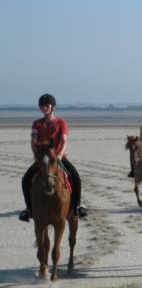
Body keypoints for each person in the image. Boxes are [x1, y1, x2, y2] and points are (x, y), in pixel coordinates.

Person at [19, 93, 87, 222]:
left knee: (76, 177)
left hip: (58, 158)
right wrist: (37, 156)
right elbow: (34, 142)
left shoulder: (61, 123)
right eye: (42, 106)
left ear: (53, 107)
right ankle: (29, 209)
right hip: (42, 159)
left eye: (47, 105)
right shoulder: (36, 124)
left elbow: (64, 141)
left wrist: (60, 155)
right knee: (26, 179)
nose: (44, 108)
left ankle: (77, 205)